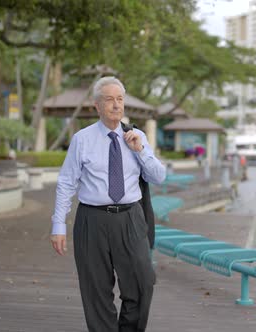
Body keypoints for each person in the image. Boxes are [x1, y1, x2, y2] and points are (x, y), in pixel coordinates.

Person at [50, 76, 166, 332]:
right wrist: (58, 225)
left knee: (142, 282)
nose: (116, 105)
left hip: (131, 219)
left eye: (120, 99)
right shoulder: (82, 139)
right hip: (92, 220)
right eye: (109, 99)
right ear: (97, 106)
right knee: (97, 290)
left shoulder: (137, 137)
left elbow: (159, 177)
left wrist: (140, 151)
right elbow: (67, 182)